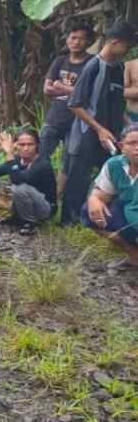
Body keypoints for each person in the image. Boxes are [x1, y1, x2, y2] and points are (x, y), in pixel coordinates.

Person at [60, 20, 136, 226]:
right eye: (127, 46)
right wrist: (99, 129)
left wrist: (130, 126)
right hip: (88, 132)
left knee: (112, 175)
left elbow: (118, 103)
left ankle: (104, 219)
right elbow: (75, 104)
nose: (128, 51)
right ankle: (69, 221)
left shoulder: (118, 67)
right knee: (79, 177)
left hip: (112, 135)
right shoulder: (94, 66)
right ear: (115, 42)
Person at [0, 128, 57, 235]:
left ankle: (30, 222)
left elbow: (19, 180)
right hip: (22, 199)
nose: (26, 148)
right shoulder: (17, 160)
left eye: (30, 144)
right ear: (16, 145)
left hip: (44, 208)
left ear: (37, 145)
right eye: (22, 144)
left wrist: (9, 153)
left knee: (19, 188)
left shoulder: (43, 163)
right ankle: (14, 215)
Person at [83, 123, 138, 269]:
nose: (137, 147)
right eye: (132, 143)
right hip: (130, 216)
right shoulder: (115, 165)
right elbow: (100, 195)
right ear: (121, 146)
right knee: (89, 211)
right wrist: (94, 199)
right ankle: (135, 256)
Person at [40, 22, 94, 167]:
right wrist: (72, 90)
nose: (76, 42)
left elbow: (88, 93)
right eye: (73, 38)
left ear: (88, 42)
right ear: (67, 39)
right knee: (41, 158)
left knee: (70, 163)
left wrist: (60, 86)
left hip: (78, 121)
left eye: (81, 39)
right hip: (54, 118)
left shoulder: (92, 63)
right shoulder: (60, 60)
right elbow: (47, 89)